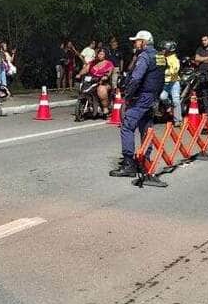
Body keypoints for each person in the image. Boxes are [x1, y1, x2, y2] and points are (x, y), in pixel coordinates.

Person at [110, 30, 167, 187]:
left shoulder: (144, 56)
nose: (135, 43)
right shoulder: (160, 56)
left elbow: (136, 78)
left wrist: (128, 95)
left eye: (137, 41)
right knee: (146, 128)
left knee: (127, 126)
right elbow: (162, 78)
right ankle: (144, 161)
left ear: (144, 42)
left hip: (142, 97)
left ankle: (129, 163)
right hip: (153, 96)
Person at [77, 47, 115, 115]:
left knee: (101, 90)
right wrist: (79, 74)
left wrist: (105, 77)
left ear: (105, 55)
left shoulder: (109, 63)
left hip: (103, 83)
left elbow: (109, 72)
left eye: (102, 54)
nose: (100, 55)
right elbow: (86, 69)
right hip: (92, 81)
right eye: (99, 54)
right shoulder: (93, 62)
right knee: (83, 86)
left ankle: (105, 108)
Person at [160, 41, 182, 126]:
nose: (162, 50)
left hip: (174, 82)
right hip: (166, 83)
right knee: (162, 97)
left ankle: (178, 120)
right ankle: (169, 106)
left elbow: (175, 70)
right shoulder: (162, 57)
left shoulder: (174, 59)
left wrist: (167, 69)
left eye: (164, 49)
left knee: (176, 100)